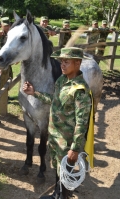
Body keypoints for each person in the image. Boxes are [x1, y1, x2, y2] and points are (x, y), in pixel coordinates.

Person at [23, 47, 92, 199]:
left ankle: (63, 196)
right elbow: (54, 101)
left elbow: (82, 123)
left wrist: (74, 148)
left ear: (78, 63)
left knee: (65, 170)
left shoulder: (80, 90)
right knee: (57, 167)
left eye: (66, 62)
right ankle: (57, 194)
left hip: (67, 140)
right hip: (55, 136)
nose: (62, 65)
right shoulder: (62, 80)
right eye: (61, 61)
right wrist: (34, 93)